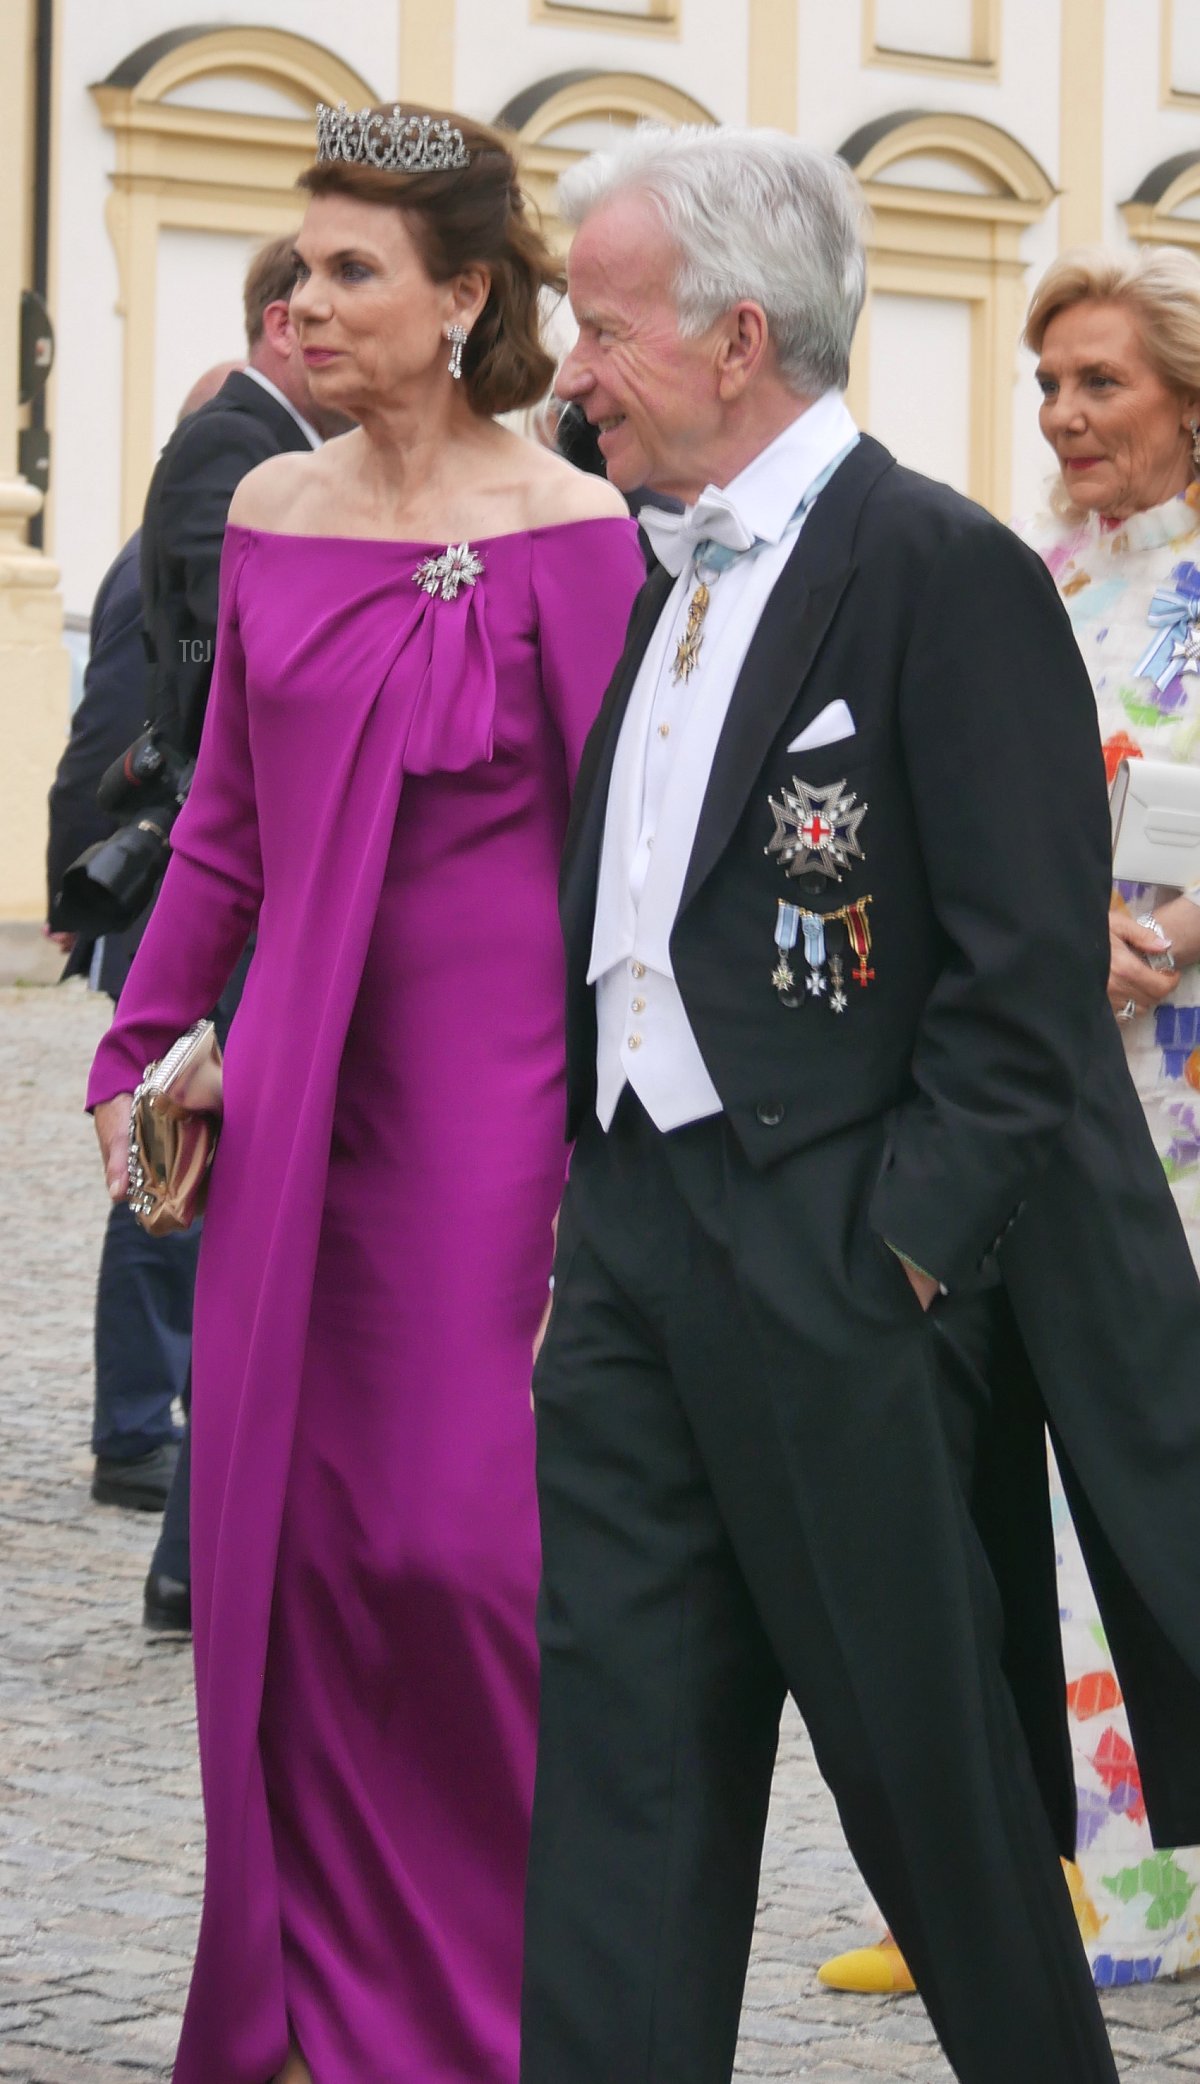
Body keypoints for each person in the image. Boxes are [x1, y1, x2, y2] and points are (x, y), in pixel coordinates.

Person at [519, 123, 1200, 2084]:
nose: (575, 367)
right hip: (639, 1243)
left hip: (839, 1263)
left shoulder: (939, 568)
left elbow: (1020, 969)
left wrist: (900, 1249)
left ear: (737, 340)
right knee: (624, 1777)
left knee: (942, 1806)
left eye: (606, 325)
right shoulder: (666, 568)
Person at [87, 99, 643, 2084]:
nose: (306, 302)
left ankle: (484, 2012)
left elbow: (620, 868)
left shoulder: (580, 533)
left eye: (352, 270)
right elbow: (223, 824)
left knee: (458, 1554)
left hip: (495, 1114)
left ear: (464, 295)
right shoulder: (269, 515)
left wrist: (612, 1153)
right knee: (281, 1558)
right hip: (299, 1086)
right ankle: (308, 2014)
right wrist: (142, 1040)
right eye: (298, 267)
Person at [819, 242, 1200, 2002]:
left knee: (1169, 1482)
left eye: (1100, 383)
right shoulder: (1025, 571)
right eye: (1047, 384)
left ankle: (1159, 1886)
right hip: (1036, 1102)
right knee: (1012, 1500)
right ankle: (1019, 1878)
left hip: (1183, 1109)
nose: (1061, 417)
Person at [45, 362, 239, 1542]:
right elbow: (114, 726)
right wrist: (83, 889)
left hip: (172, 886)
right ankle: (131, 1422)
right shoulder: (152, 563)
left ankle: (153, 1417)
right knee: (161, 1156)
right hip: (160, 889)